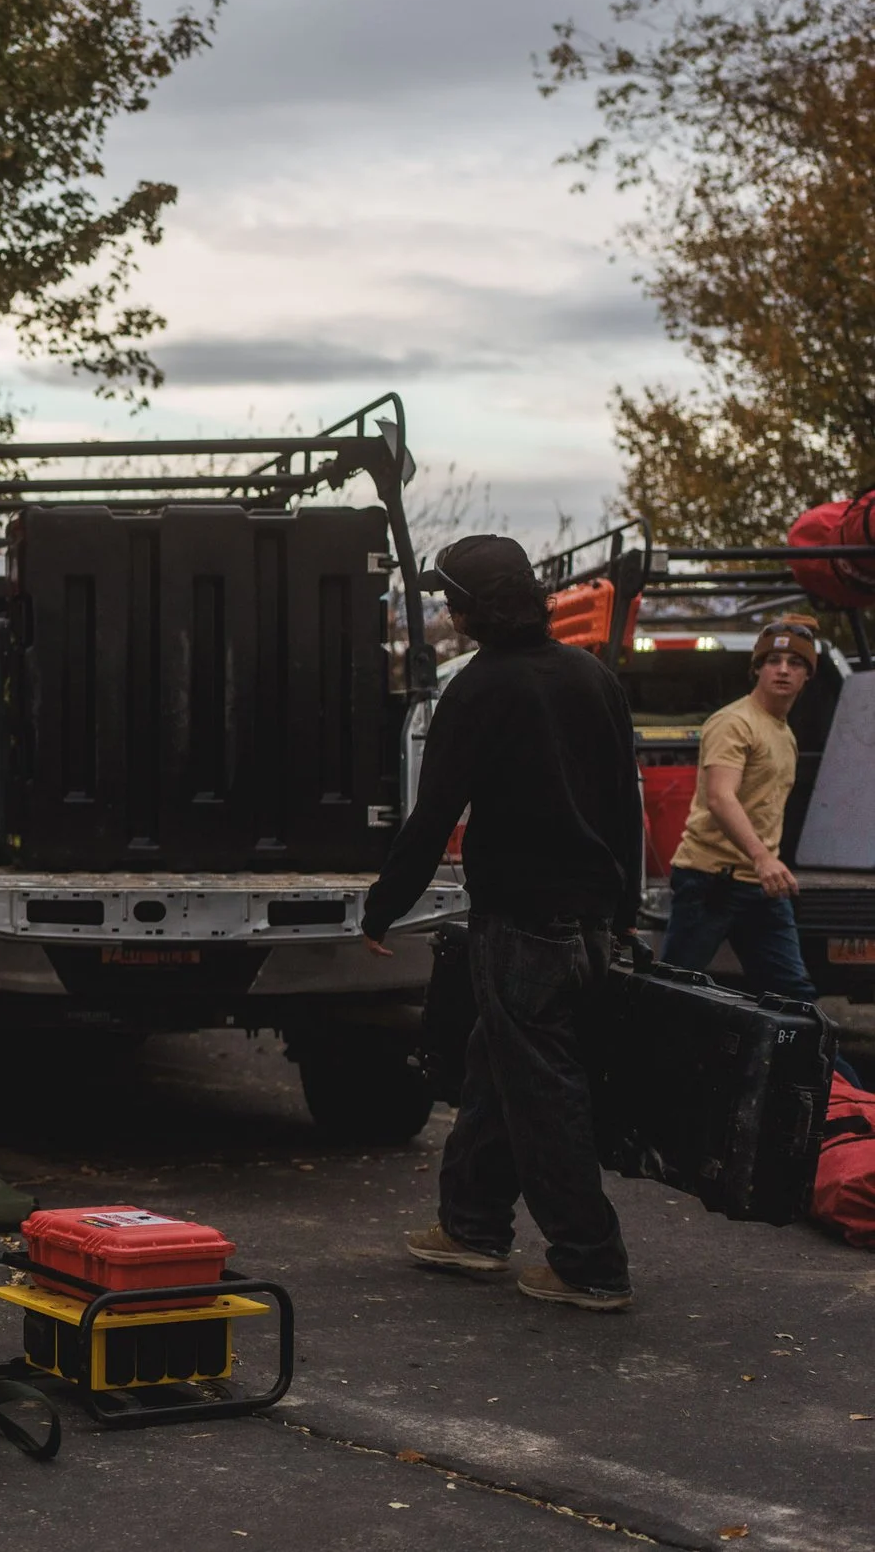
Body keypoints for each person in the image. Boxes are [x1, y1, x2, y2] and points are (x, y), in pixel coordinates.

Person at [361, 534, 645, 1312]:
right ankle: (472, 1225)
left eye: (450, 599)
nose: (447, 613)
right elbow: (626, 805)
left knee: (541, 1093)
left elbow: (434, 814)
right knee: (499, 1065)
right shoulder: (594, 679)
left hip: (522, 926)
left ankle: (590, 1261)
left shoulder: (482, 689)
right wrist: (625, 913)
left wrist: (384, 904)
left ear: (475, 607)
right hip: (587, 923)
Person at [660, 617, 821, 999]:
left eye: (794, 663)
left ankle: (821, 1063)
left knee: (796, 999)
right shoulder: (734, 723)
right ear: (757, 669)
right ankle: (635, 1060)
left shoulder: (783, 732)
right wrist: (762, 857)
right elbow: (720, 796)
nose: (783, 669)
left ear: (807, 676)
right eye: (773, 661)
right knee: (674, 993)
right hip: (710, 880)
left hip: (761, 888)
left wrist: (765, 864)